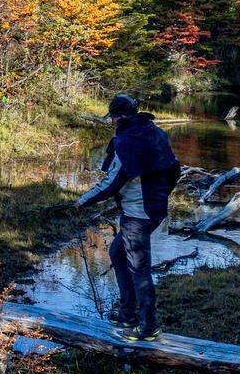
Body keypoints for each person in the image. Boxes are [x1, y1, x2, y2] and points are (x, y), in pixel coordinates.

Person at [75, 94, 180, 342]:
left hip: (137, 215)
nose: (111, 122)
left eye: (112, 117)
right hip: (153, 211)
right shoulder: (154, 132)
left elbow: (112, 182)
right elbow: (174, 169)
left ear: (118, 116)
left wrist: (82, 201)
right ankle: (127, 313)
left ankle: (148, 327)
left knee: (139, 269)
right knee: (117, 253)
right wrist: (161, 197)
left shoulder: (127, 142)